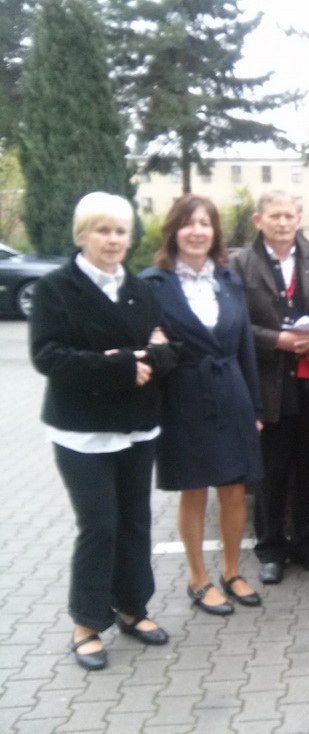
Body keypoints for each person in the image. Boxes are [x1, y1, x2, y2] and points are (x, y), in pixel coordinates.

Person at [30, 192, 177, 670]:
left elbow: (167, 350)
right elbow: (47, 356)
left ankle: (133, 608)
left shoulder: (140, 289)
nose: (113, 240)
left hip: (137, 427)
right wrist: (121, 366)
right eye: (103, 230)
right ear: (82, 235)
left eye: (120, 231)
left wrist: (147, 357)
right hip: (83, 432)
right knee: (99, 526)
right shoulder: (55, 289)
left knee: (135, 523)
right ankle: (88, 622)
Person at [141, 194, 264, 615]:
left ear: (215, 233)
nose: (197, 231)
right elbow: (146, 346)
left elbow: (245, 344)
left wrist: (256, 406)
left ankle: (232, 571)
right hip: (183, 394)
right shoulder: (152, 284)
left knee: (234, 489)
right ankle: (198, 578)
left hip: (231, 391)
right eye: (189, 223)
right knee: (193, 490)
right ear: (174, 231)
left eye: (205, 224)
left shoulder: (228, 280)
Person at [230, 190, 309, 584]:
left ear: (298, 219)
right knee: (271, 478)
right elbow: (231, 325)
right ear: (258, 220)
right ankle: (271, 551)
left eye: (289, 216)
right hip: (268, 386)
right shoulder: (239, 265)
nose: (282, 222)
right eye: (274, 215)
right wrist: (276, 340)